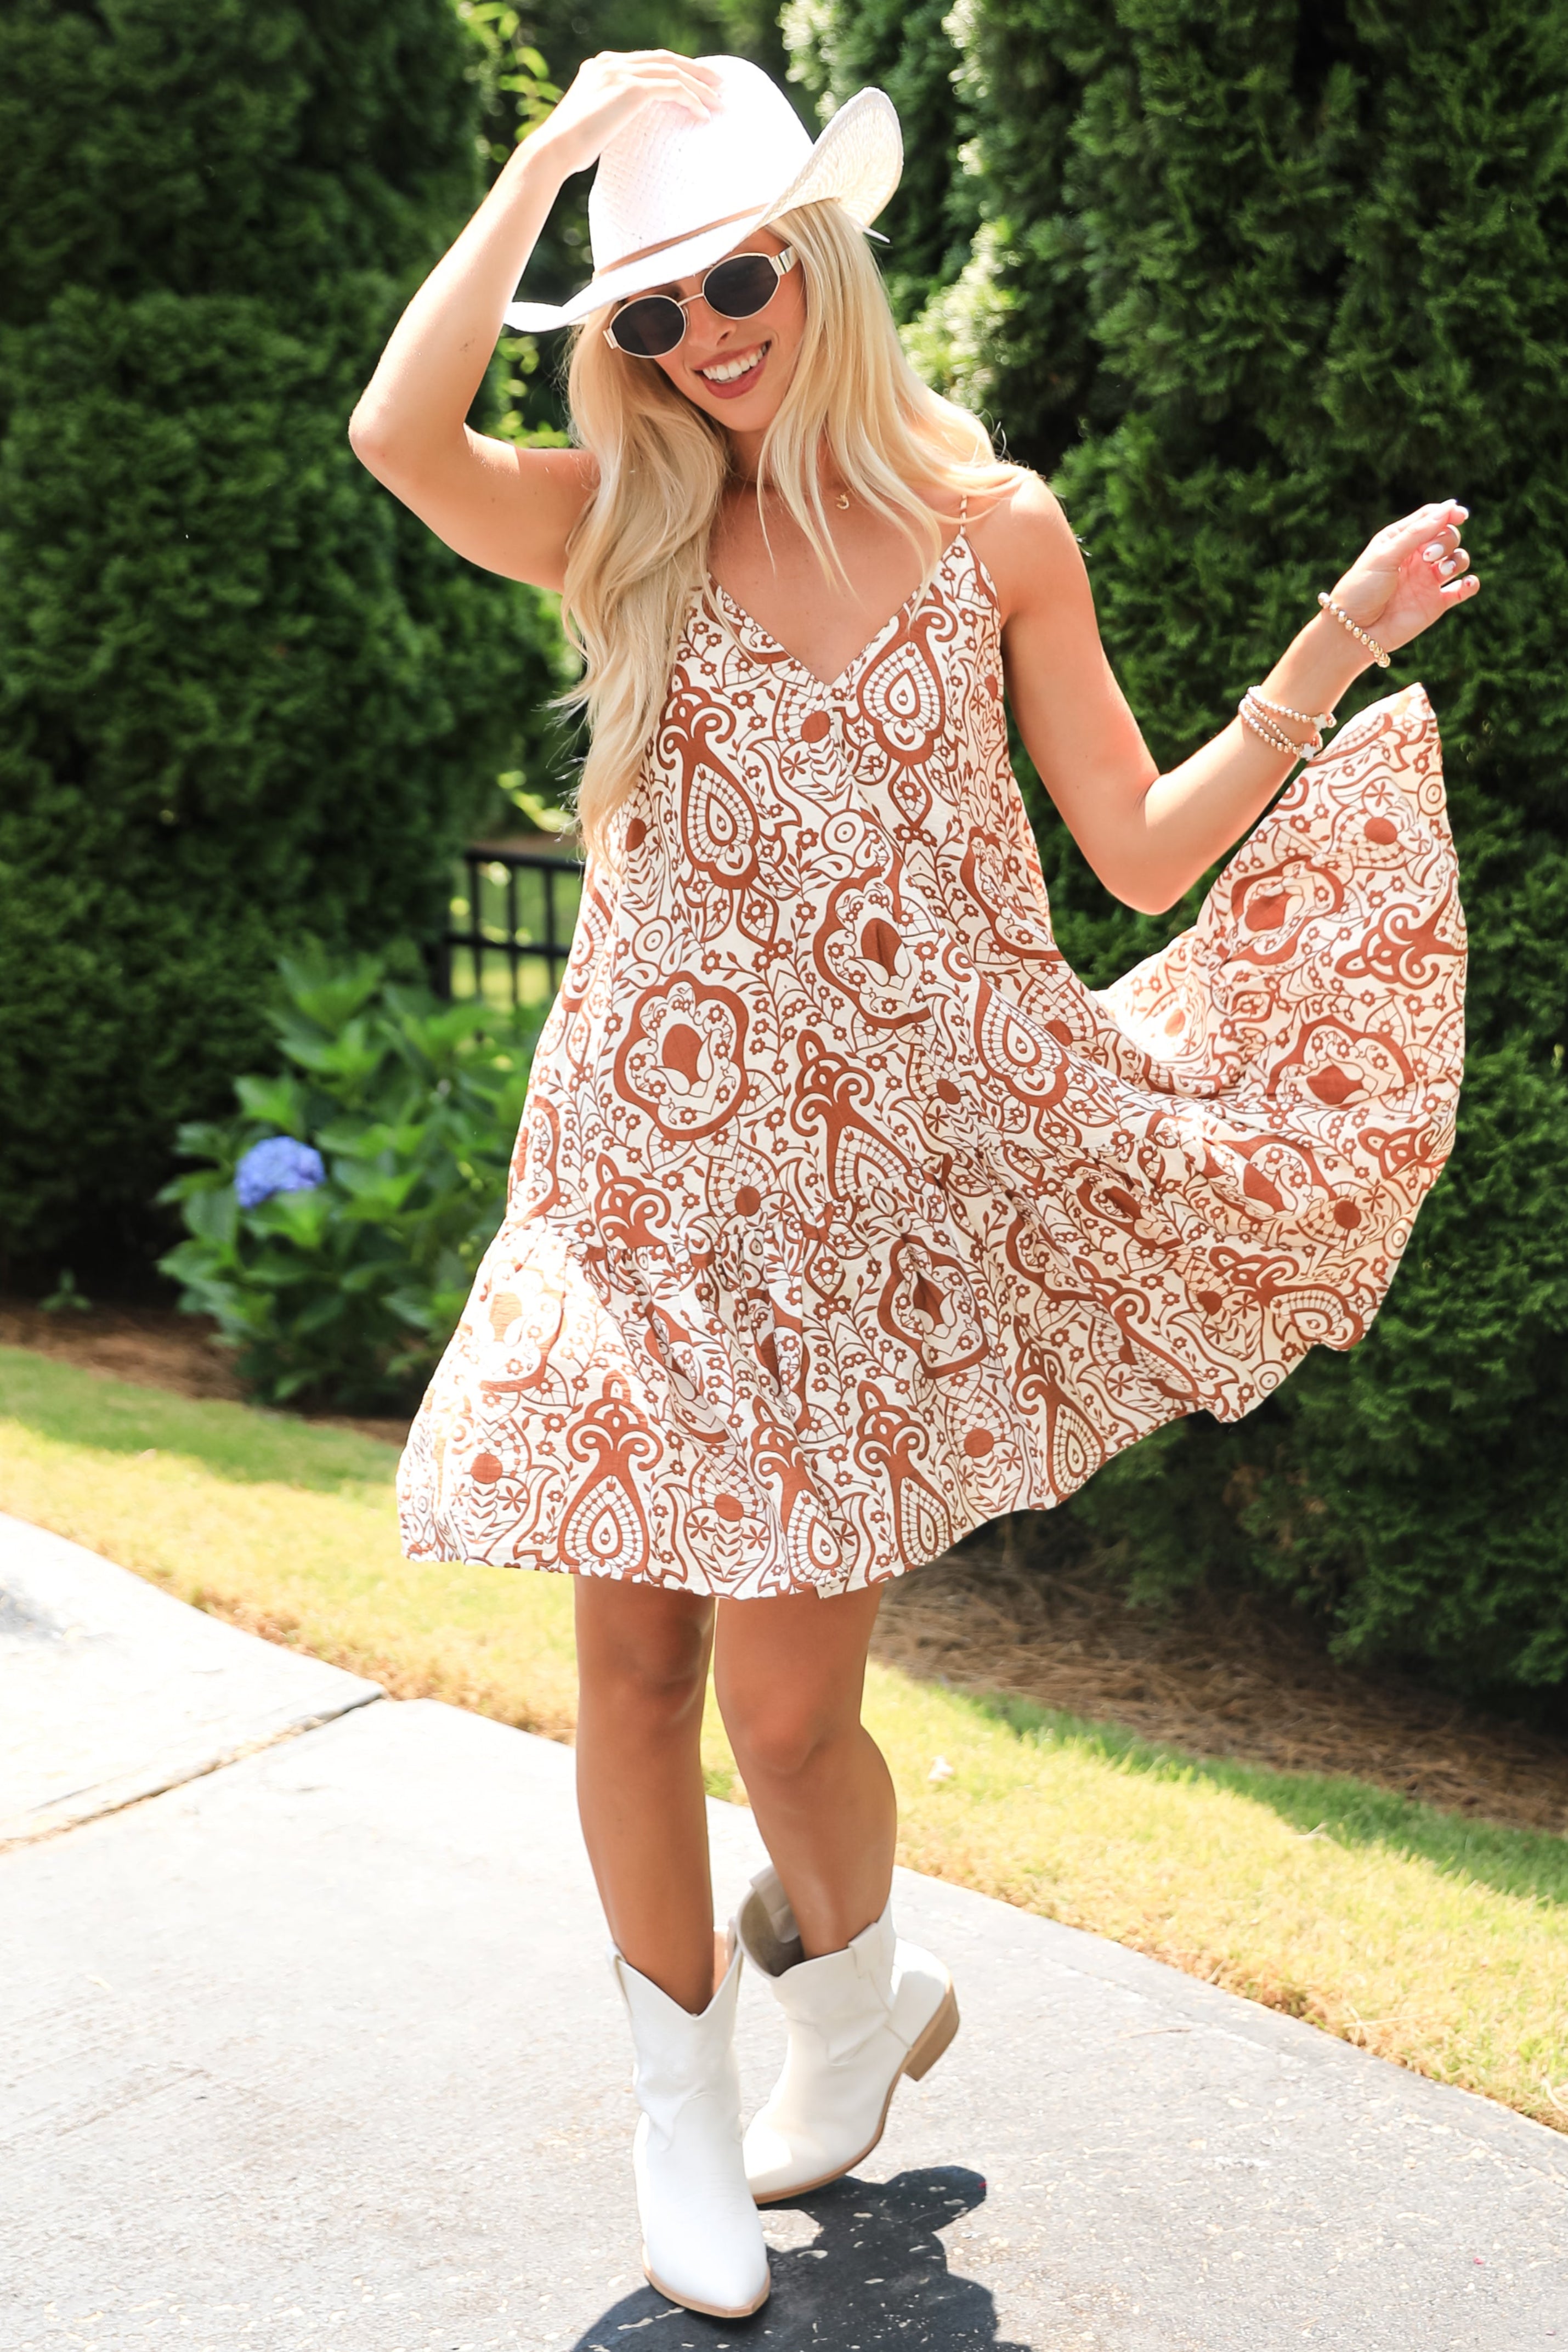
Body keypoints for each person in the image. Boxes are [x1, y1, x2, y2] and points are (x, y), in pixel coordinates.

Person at [350, 50, 1474, 2322]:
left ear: (820, 258)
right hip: (641, 1190)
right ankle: (677, 2111)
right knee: (632, 1663)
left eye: (734, 279)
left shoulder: (998, 529)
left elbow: (1137, 846)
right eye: (646, 316)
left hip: (872, 1218)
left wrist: (1335, 642)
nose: (701, 339)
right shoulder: (619, 522)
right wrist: (549, 164)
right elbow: (396, 433)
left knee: (786, 1717)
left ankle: (850, 1999)